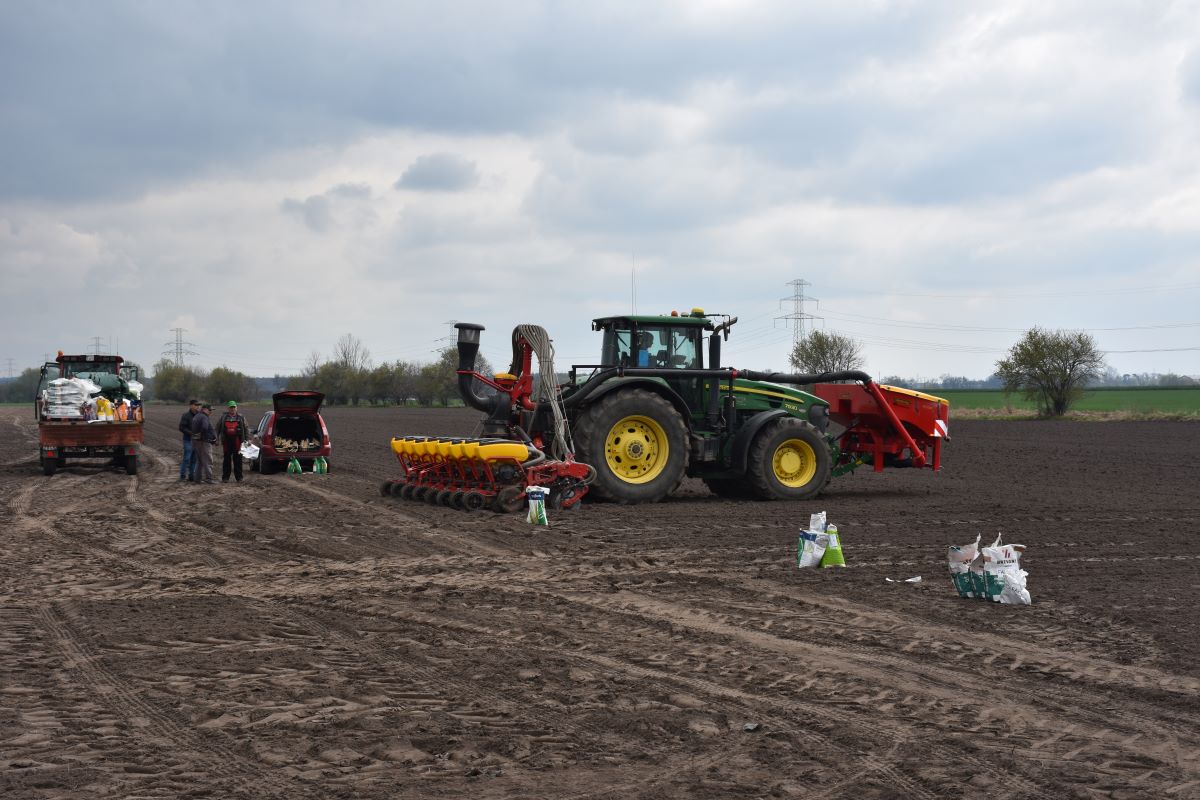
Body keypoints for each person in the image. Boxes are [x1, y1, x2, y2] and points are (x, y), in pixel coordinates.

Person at [218, 400, 249, 483]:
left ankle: (239, 478)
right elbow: (217, 428)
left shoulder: (241, 417)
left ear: (236, 408)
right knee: (226, 460)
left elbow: (246, 429)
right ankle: (225, 478)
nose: (232, 409)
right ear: (228, 408)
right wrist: (216, 439)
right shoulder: (223, 417)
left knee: (238, 460)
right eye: (231, 407)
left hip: (238, 441)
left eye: (234, 407)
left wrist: (247, 440)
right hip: (227, 442)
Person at [190, 403, 218, 484]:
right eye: (210, 410)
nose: (211, 412)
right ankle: (209, 478)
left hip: (196, 441)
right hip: (203, 442)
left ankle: (197, 479)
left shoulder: (196, 416)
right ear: (204, 409)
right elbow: (205, 428)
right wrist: (206, 437)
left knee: (200, 461)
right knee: (208, 460)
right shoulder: (204, 417)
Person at [178, 399, 200, 481]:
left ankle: (192, 475)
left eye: (198, 405)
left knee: (194, 459)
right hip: (188, 440)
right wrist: (191, 433)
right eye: (196, 405)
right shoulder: (186, 415)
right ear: (191, 405)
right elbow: (181, 427)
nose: (197, 406)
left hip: (197, 440)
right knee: (187, 458)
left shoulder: (200, 415)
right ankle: (183, 475)